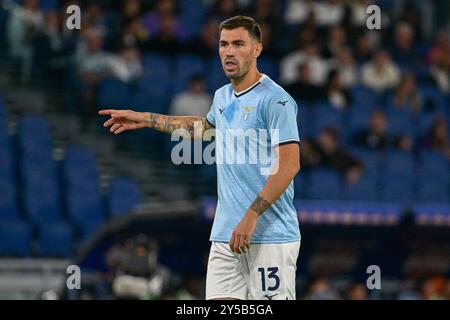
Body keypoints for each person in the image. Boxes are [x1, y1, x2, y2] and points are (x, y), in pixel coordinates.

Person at [99, 15, 301, 300]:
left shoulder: (276, 100)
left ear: (257, 49)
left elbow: (290, 164)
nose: (229, 51)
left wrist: (251, 216)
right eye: (224, 44)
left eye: (238, 44)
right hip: (225, 235)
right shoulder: (222, 97)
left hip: (270, 235)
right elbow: (201, 128)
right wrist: (145, 119)